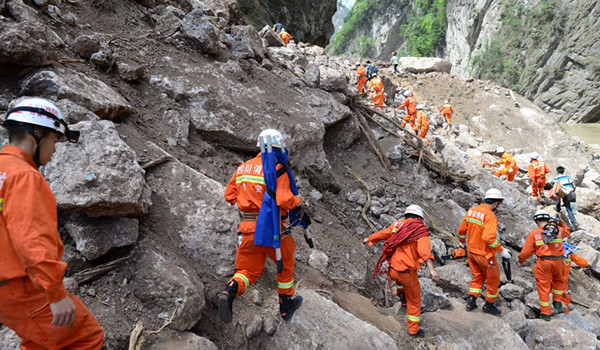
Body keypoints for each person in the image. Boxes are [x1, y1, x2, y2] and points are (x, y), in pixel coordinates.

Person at [0, 98, 104, 349]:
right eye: (54, 140)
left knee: (41, 342)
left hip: (7, 290)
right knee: (85, 337)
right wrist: (55, 294)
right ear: (36, 133)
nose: (55, 150)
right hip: (22, 286)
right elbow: (31, 239)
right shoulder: (24, 176)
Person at [219, 129, 304, 323]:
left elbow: (229, 196)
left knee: (247, 271)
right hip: (273, 228)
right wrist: (298, 201)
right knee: (286, 263)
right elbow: (284, 199)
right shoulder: (276, 167)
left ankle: (230, 291)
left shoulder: (243, 168)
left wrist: (249, 197)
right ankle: (285, 305)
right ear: (278, 147)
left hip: (247, 229)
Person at [363, 205, 439, 338]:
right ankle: (413, 330)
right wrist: (432, 270)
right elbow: (424, 252)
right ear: (419, 218)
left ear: (406, 215)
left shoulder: (398, 225)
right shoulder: (420, 230)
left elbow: (383, 234)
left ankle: (402, 298)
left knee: (400, 283)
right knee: (415, 300)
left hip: (392, 270)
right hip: (406, 272)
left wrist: (370, 239)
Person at [457, 188, 510, 316]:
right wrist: (501, 250)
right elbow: (488, 238)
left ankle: (471, 301)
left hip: (471, 252)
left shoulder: (471, 211)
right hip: (485, 255)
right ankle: (489, 305)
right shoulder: (490, 215)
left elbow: (461, 230)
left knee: (477, 276)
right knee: (493, 280)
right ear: (496, 203)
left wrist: (463, 243)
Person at [517, 210, 570, 321]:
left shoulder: (534, 233)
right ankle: (557, 302)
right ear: (548, 219)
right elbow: (567, 231)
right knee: (559, 281)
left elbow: (527, 251)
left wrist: (520, 260)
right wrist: (560, 222)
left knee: (543, 287)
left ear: (537, 221)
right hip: (559, 262)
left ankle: (546, 314)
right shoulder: (558, 230)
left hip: (544, 263)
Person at [556, 241, 588, 314]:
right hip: (562, 279)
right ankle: (564, 313)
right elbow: (580, 262)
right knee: (564, 296)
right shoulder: (569, 251)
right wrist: (587, 263)